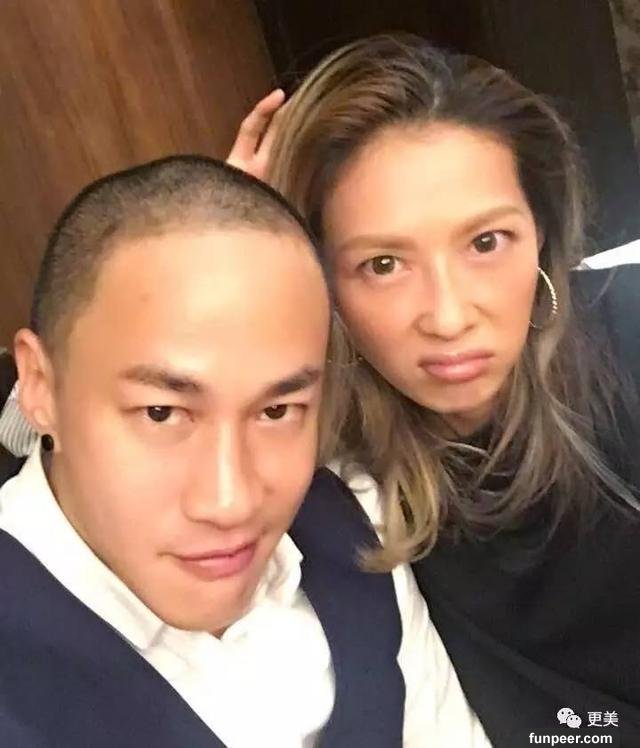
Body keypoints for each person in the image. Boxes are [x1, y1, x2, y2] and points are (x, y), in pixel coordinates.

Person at [226, 34, 640, 745]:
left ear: (542, 234)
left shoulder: (626, 330)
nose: (448, 318)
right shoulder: (324, 465)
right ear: (320, 277)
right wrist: (221, 254)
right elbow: (43, 432)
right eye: (384, 264)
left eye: (486, 243)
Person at [0, 155, 489, 746]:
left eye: (277, 412)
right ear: (39, 386)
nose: (230, 502)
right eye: (161, 413)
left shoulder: (355, 522)